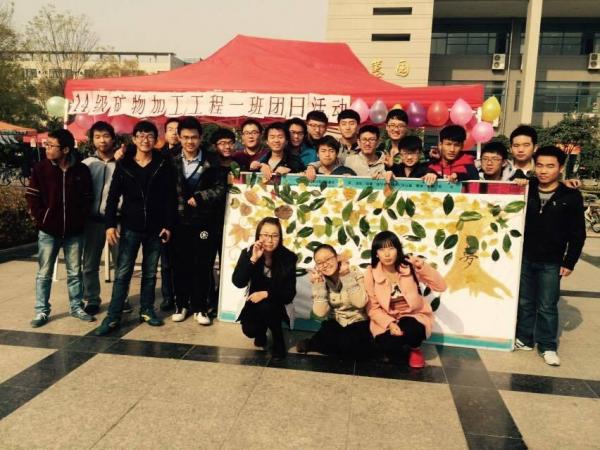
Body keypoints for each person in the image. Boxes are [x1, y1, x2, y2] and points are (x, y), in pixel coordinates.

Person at [95, 121, 176, 335]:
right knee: (123, 272)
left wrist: (168, 225)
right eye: (140, 135)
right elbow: (112, 197)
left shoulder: (163, 164)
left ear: (156, 140)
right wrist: (110, 225)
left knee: (150, 273)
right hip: (130, 226)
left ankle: (147, 309)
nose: (145, 140)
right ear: (134, 139)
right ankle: (113, 316)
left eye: (150, 136)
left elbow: (170, 197)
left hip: (156, 228)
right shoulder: (124, 164)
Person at [515, 145, 586, 366]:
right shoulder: (527, 188)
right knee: (525, 302)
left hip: (552, 261)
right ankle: (525, 338)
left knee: (547, 305)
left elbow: (578, 233)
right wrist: (519, 182)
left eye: (550, 166)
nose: (544, 170)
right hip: (525, 257)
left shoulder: (571, 196)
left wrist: (569, 261)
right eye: (540, 165)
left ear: (561, 168)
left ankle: (547, 346)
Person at [26, 129, 94, 327]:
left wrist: (79, 219)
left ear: (65, 149)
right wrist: (42, 218)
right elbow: (32, 196)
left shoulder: (81, 170)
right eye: (46, 145)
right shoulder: (40, 169)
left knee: (75, 272)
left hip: (74, 231)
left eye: (51, 145)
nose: (47, 148)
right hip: (48, 231)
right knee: (44, 273)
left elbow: (88, 198)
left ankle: (76, 306)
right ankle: (41, 310)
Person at [170, 117, 226, 325]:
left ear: (200, 138)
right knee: (180, 265)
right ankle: (181, 304)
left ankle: (200, 307)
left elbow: (221, 188)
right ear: (179, 137)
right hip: (178, 221)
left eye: (194, 137)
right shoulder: (170, 159)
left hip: (204, 222)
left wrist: (202, 197)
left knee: (203, 265)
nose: (190, 142)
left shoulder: (212, 160)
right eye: (185, 137)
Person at [364, 231, 447, 368]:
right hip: (387, 317)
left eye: (391, 248)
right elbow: (372, 308)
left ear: (398, 250)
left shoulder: (409, 266)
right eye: (382, 249)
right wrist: (390, 324)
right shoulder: (371, 273)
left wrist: (422, 266)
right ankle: (399, 345)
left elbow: (441, 287)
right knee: (389, 346)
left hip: (413, 315)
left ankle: (415, 349)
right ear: (376, 253)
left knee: (413, 330)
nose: (387, 254)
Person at [81, 121, 132, 315]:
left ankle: (122, 298)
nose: (102, 141)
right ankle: (92, 299)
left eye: (106, 136)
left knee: (121, 262)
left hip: (117, 221)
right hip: (93, 220)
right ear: (92, 140)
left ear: (113, 138)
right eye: (97, 137)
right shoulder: (87, 164)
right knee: (89, 264)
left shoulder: (123, 162)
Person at [232, 217, 297, 359]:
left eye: (274, 236)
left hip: (277, 304)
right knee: (250, 330)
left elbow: (289, 293)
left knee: (268, 306)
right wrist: (253, 259)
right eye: (265, 235)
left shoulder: (288, 257)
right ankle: (261, 332)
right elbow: (238, 282)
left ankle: (278, 338)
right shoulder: (248, 253)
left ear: (280, 237)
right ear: (258, 236)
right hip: (254, 302)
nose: (270, 240)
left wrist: (266, 294)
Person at [296, 244, 373, 360]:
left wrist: (345, 276)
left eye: (328, 259)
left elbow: (360, 303)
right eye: (320, 263)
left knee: (350, 344)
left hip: (358, 320)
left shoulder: (353, 272)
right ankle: (315, 343)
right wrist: (319, 286)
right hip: (336, 321)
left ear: (337, 258)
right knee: (331, 337)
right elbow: (321, 313)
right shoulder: (321, 279)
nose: (325, 264)